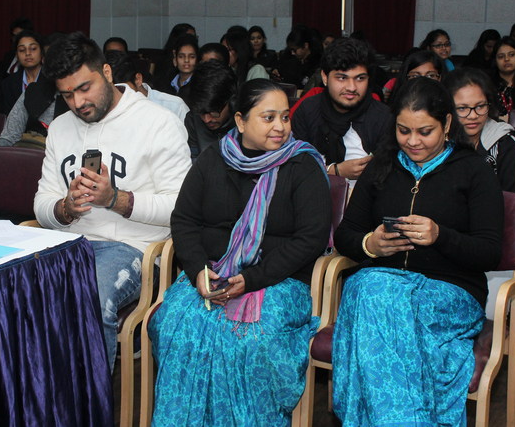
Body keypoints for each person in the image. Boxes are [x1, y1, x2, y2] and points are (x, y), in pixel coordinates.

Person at [149, 79, 331, 426]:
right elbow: (185, 220)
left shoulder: (302, 165)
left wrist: (250, 279)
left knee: (248, 341)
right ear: (240, 121)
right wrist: (198, 272)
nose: (280, 127)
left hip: (279, 280)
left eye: (285, 117)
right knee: (176, 325)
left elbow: (310, 239)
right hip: (211, 274)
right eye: (268, 117)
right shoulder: (214, 159)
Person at [331, 77, 503, 425]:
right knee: (370, 289)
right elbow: (345, 235)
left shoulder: (474, 170)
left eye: (425, 131)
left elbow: (489, 252)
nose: (412, 141)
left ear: (447, 124)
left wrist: (441, 236)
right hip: (381, 287)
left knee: (374, 299)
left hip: (450, 293)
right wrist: (370, 244)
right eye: (403, 130)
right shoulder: (381, 166)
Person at [33, 32, 191, 369]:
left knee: (91, 296)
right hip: (69, 244)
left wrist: (115, 199)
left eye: (84, 88)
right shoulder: (60, 127)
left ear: (106, 72)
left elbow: (180, 208)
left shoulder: (159, 123)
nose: (78, 102)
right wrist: (65, 209)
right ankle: (37, 392)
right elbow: (42, 203)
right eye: (67, 94)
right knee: (10, 290)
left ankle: (87, 397)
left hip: (134, 248)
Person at [291, 37, 391, 182]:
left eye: (360, 78)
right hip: (311, 191)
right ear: (325, 77)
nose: (351, 87)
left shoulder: (383, 117)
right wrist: (335, 171)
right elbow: (294, 167)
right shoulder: (308, 110)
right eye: (342, 78)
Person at [445, 67, 515, 199]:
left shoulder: (507, 145)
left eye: (480, 106)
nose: (473, 116)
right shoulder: (441, 143)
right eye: (462, 108)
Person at [106, 50, 188, 121]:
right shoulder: (106, 112)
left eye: (123, 90)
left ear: (138, 79)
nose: (119, 97)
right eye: (112, 93)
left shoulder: (175, 107)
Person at [183, 60, 237, 160]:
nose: (207, 120)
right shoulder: (192, 120)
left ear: (231, 101)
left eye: (213, 113)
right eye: (201, 113)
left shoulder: (247, 122)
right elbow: (193, 161)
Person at [0, 30, 45, 113]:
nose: (27, 53)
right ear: (17, 55)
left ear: (42, 52)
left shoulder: (52, 80)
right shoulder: (8, 84)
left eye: (33, 48)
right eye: (22, 50)